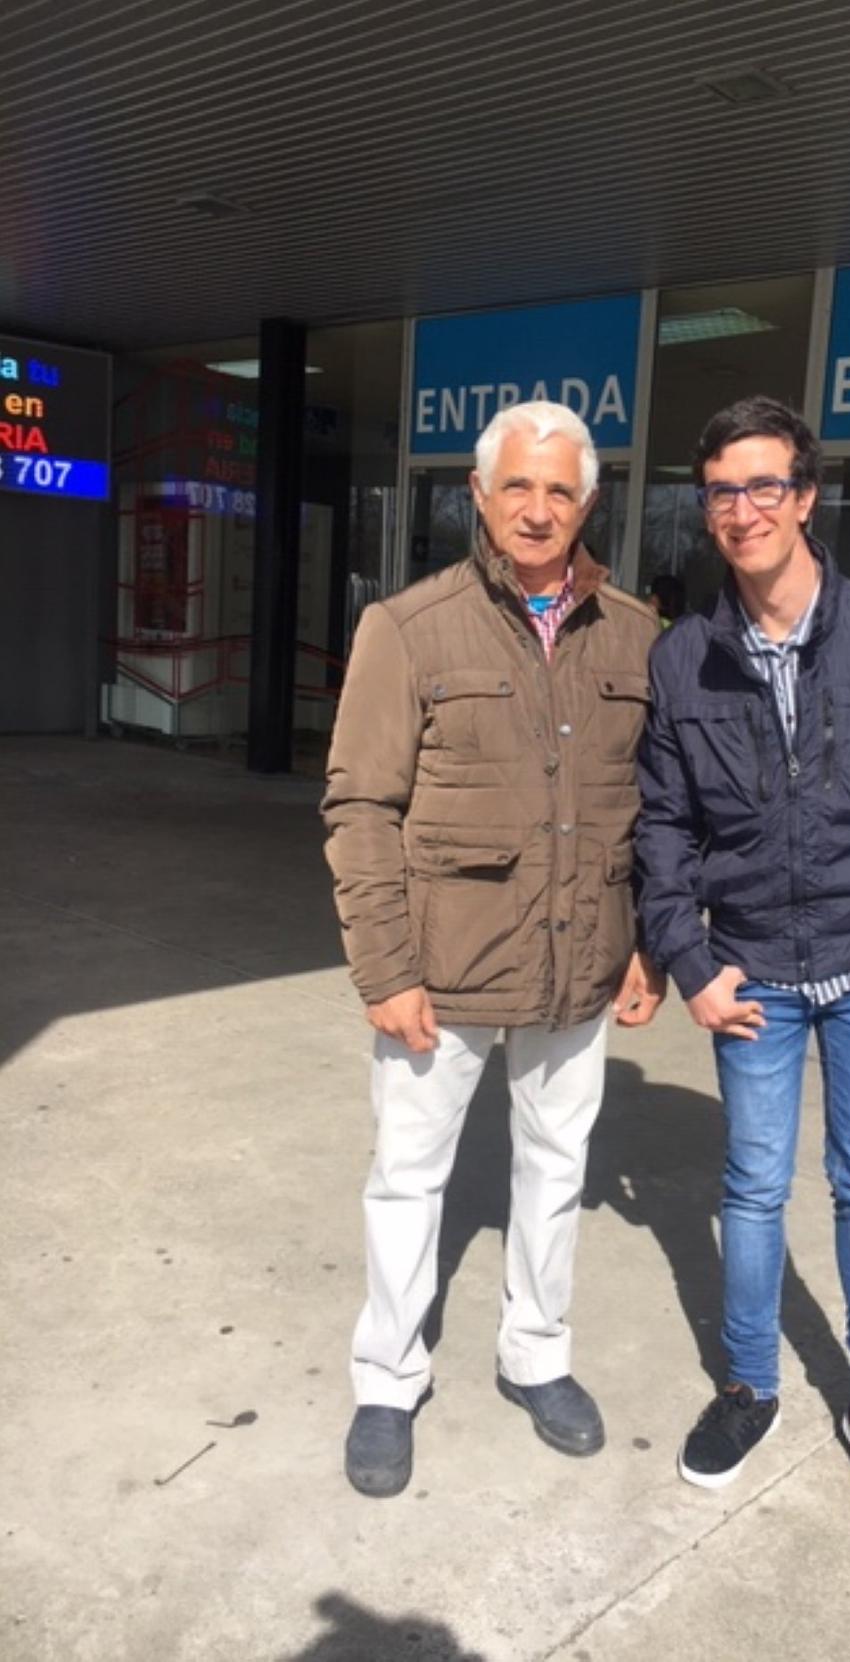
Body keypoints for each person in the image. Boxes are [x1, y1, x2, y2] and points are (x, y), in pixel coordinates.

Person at [633, 396, 850, 1546]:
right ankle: (750, 1388)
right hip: (751, 976)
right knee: (751, 1189)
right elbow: (663, 825)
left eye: (764, 486)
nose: (743, 510)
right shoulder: (683, 657)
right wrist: (688, 960)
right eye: (721, 492)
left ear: (807, 496)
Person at [322, 400, 665, 1499]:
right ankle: (388, 1377)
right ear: (478, 493)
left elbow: (657, 811)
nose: (537, 508)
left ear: (588, 503)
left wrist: (650, 943)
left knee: (555, 1169)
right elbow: (361, 808)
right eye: (517, 485)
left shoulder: (636, 634)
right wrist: (386, 968)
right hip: (444, 970)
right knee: (407, 1177)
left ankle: (537, 1357)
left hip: (581, 962)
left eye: (559, 490)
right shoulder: (409, 628)